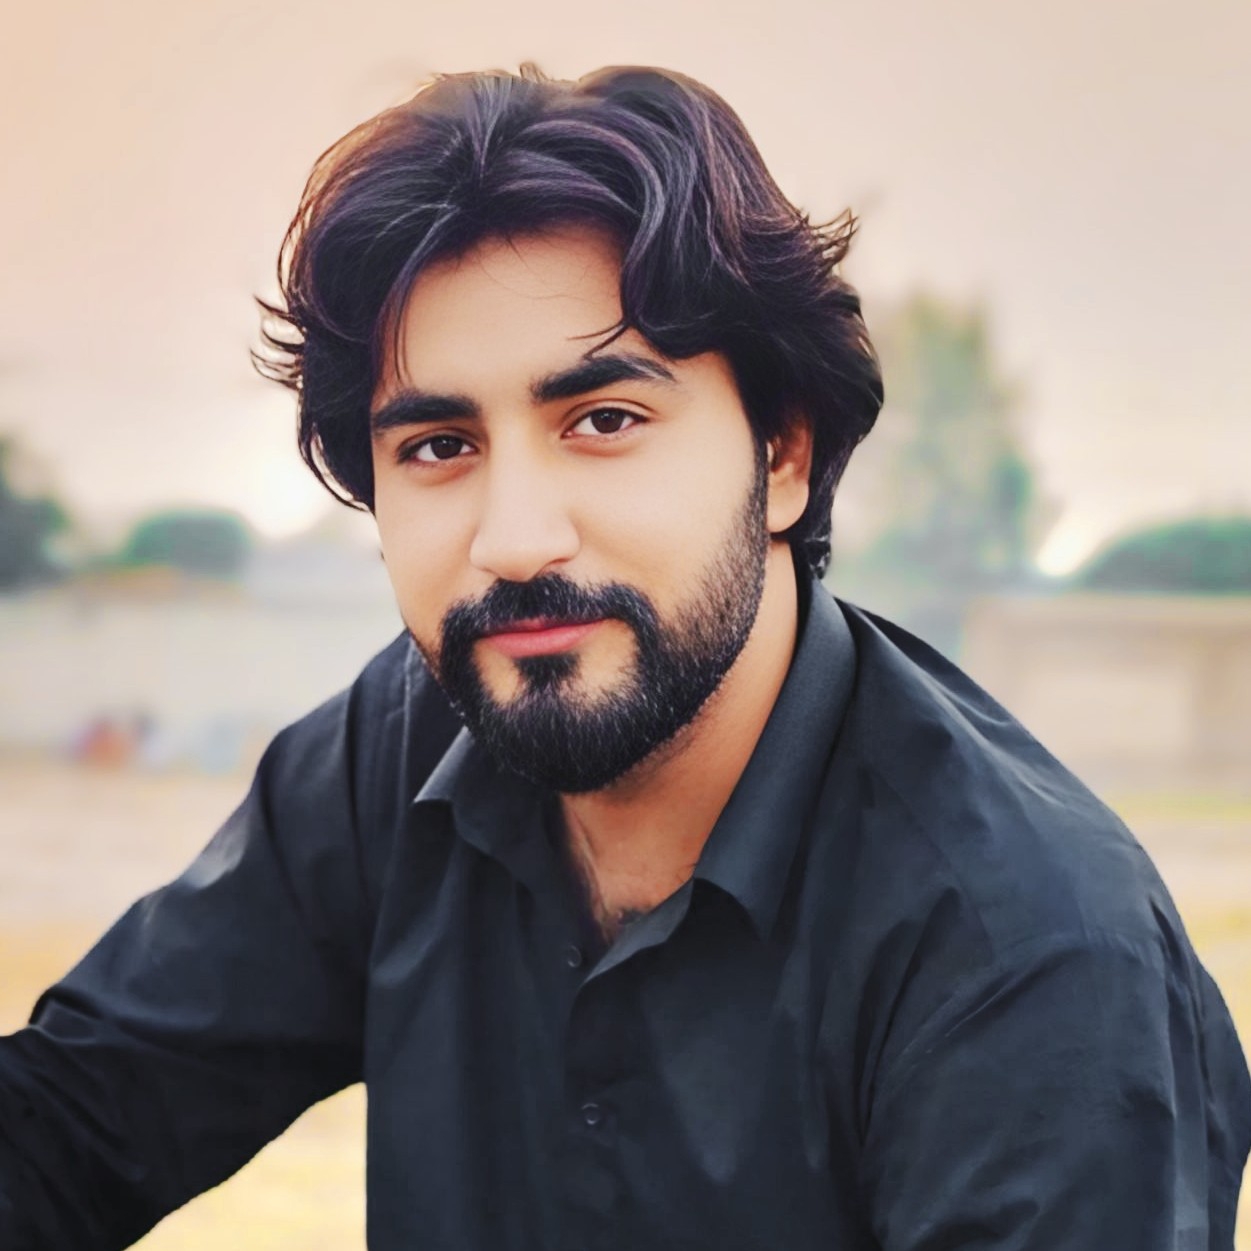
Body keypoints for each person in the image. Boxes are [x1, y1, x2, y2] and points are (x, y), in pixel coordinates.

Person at [1, 64, 1248, 1251]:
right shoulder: (407, 743)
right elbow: (74, 1116)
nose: (515, 540)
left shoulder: (1032, 958)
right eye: (439, 446)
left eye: (603, 419)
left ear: (783, 455)